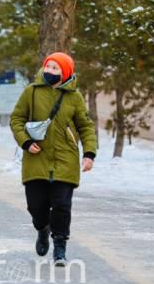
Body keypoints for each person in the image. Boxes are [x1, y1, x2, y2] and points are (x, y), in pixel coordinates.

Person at [10, 52, 97, 266]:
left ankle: (60, 246)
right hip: (35, 157)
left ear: (65, 72)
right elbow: (17, 119)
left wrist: (89, 153)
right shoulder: (31, 92)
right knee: (36, 206)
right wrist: (26, 142)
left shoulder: (74, 97)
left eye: (55, 68)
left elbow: (85, 126)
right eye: (47, 66)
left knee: (62, 205)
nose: (49, 71)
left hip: (65, 159)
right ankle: (42, 228)